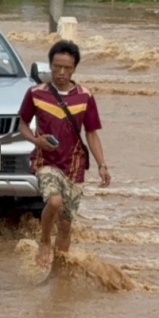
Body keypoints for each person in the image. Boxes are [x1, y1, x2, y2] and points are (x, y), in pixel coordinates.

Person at [18, 40, 111, 270]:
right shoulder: (35, 93)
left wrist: (102, 165)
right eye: (56, 67)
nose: (61, 72)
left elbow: (91, 133)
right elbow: (22, 125)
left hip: (74, 166)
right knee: (55, 201)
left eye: (66, 68)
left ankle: (57, 276)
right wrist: (35, 140)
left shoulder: (85, 97)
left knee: (67, 225)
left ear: (74, 69)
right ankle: (44, 241)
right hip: (45, 161)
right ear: (49, 66)